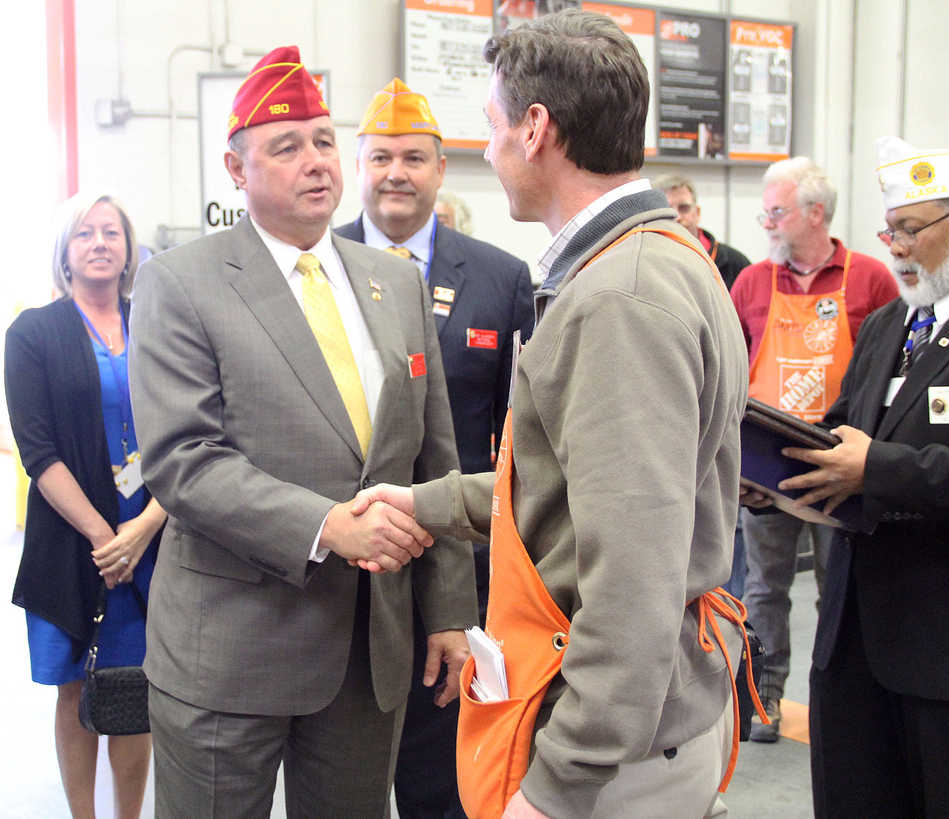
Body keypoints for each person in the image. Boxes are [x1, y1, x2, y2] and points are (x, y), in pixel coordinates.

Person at [354, 10, 749, 818]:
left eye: (493, 127)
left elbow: (631, 583)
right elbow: (557, 484)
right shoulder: (656, 259)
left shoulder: (619, 303)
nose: (488, 151)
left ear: (536, 129)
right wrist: (422, 502)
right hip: (640, 729)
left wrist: (557, 782)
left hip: (613, 759)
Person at [127, 46, 477, 818]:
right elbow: (183, 461)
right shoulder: (180, 283)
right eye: (286, 147)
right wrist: (326, 525)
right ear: (236, 166)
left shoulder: (394, 285)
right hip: (231, 652)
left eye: (324, 140)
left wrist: (450, 611)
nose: (315, 161)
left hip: (366, 653)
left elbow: (435, 457)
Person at [777, 135, 949, 818]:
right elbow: (836, 433)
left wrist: (878, 468)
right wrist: (774, 477)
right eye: (889, 231)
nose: (895, 247)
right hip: (853, 642)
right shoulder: (886, 327)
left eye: (910, 230)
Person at [337, 77, 534, 818]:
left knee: (442, 775)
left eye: (414, 158)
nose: (397, 173)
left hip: (457, 569)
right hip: (347, 565)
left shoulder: (500, 278)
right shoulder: (316, 271)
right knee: (342, 775)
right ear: (361, 166)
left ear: (442, 169)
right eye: (381, 157)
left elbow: (521, 432)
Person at [5, 192, 166, 819]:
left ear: (128, 251)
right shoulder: (33, 332)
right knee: (75, 690)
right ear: (64, 253)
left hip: (154, 541)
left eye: (111, 232)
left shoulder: (156, 322)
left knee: (136, 692)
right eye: (84, 234)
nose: (99, 243)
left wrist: (146, 527)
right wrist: (108, 537)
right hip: (75, 546)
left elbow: (193, 434)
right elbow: (37, 450)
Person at [730, 156, 897, 742]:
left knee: (841, 585)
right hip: (765, 464)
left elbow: (889, 371)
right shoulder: (752, 281)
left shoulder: (870, 278)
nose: (768, 224)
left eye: (776, 212)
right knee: (763, 587)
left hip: (840, 461)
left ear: (815, 212)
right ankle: (765, 695)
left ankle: (842, 695)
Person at [652, 173, 751, 599]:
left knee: (727, 536)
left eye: (686, 208)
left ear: (698, 212)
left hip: (727, 416)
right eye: (670, 209)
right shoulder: (650, 264)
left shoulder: (733, 266)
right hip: (673, 424)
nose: (680, 217)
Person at [651, 174, 750, 290]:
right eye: (667, 209)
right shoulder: (646, 264)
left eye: (684, 208)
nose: (676, 216)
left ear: (697, 213)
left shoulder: (736, 265)